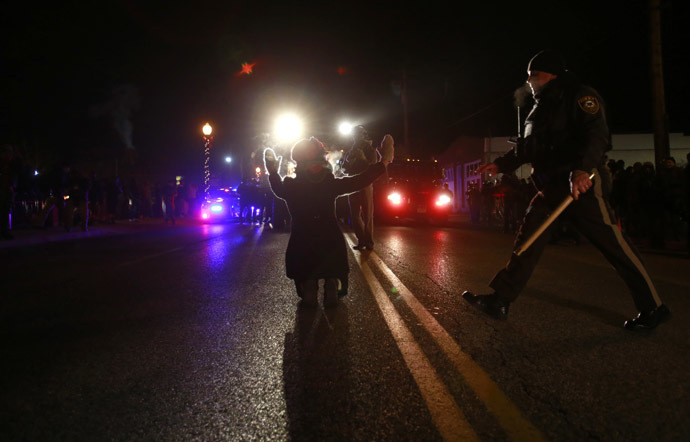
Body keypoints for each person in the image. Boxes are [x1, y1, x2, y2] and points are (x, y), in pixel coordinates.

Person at [461, 50, 670, 331]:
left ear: (552, 74)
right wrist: (499, 165)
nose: (530, 80)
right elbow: (528, 148)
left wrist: (582, 169)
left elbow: (596, 136)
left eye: (535, 74)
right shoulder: (538, 108)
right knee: (528, 240)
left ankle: (653, 307)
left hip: (579, 187)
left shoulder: (580, 96)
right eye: (528, 75)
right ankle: (500, 300)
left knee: (614, 247)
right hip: (550, 189)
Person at [265, 134, 394, 308]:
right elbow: (358, 181)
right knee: (335, 259)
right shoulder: (329, 183)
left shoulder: (292, 185)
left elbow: (278, 189)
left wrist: (273, 172)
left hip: (302, 237)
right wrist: (383, 164)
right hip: (329, 236)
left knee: (303, 262)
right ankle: (333, 284)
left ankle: (309, 286)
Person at [341, 125, 378, 250]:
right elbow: (344, 168)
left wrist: (362, 158)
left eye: (358, 134)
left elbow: (374, 168)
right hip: (353, 185)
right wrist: (348, 162)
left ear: (363, 135)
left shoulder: (371, 150)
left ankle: (369, 242)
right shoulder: (351, 150)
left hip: (366, 185)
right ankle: (361, 240)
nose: (356, 137)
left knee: (368, 215)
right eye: (354, 135)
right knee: (355, 215)